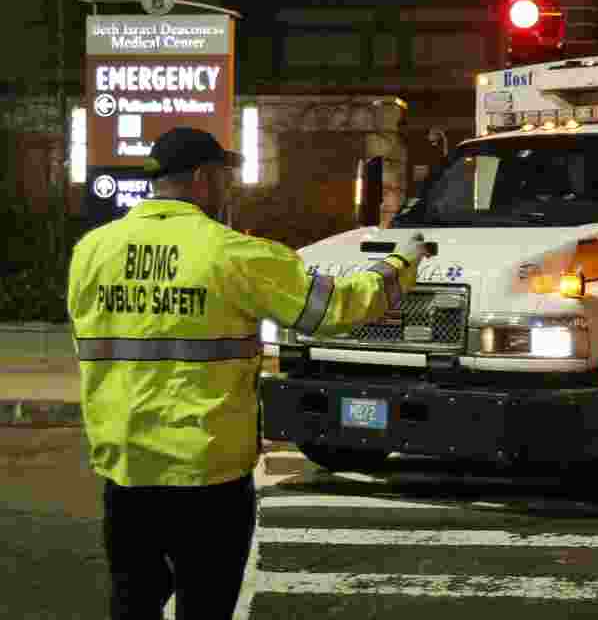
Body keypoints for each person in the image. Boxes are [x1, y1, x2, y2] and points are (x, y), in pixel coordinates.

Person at [66, 126, 431, 620]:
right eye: (223, 177)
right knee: (206, 605)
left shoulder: (92, 250)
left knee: (132, 601)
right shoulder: (233, 253)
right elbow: (336, 308)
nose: (227, 188)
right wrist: (402, 263)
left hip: (126, 470)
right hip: (207, 474)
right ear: (201, 178)